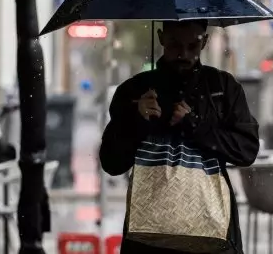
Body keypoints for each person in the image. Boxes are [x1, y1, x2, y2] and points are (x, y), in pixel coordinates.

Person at [100, 20, 260, 254]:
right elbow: (112, 162)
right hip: (149, 237)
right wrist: (136, 118)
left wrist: (194, 125)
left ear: (204, 42)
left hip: (212, 233)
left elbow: (246, 150)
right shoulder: (135, 91)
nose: (183, 54)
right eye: (175, 44)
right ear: (161, 38)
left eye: (193, 46)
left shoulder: (222, 88)